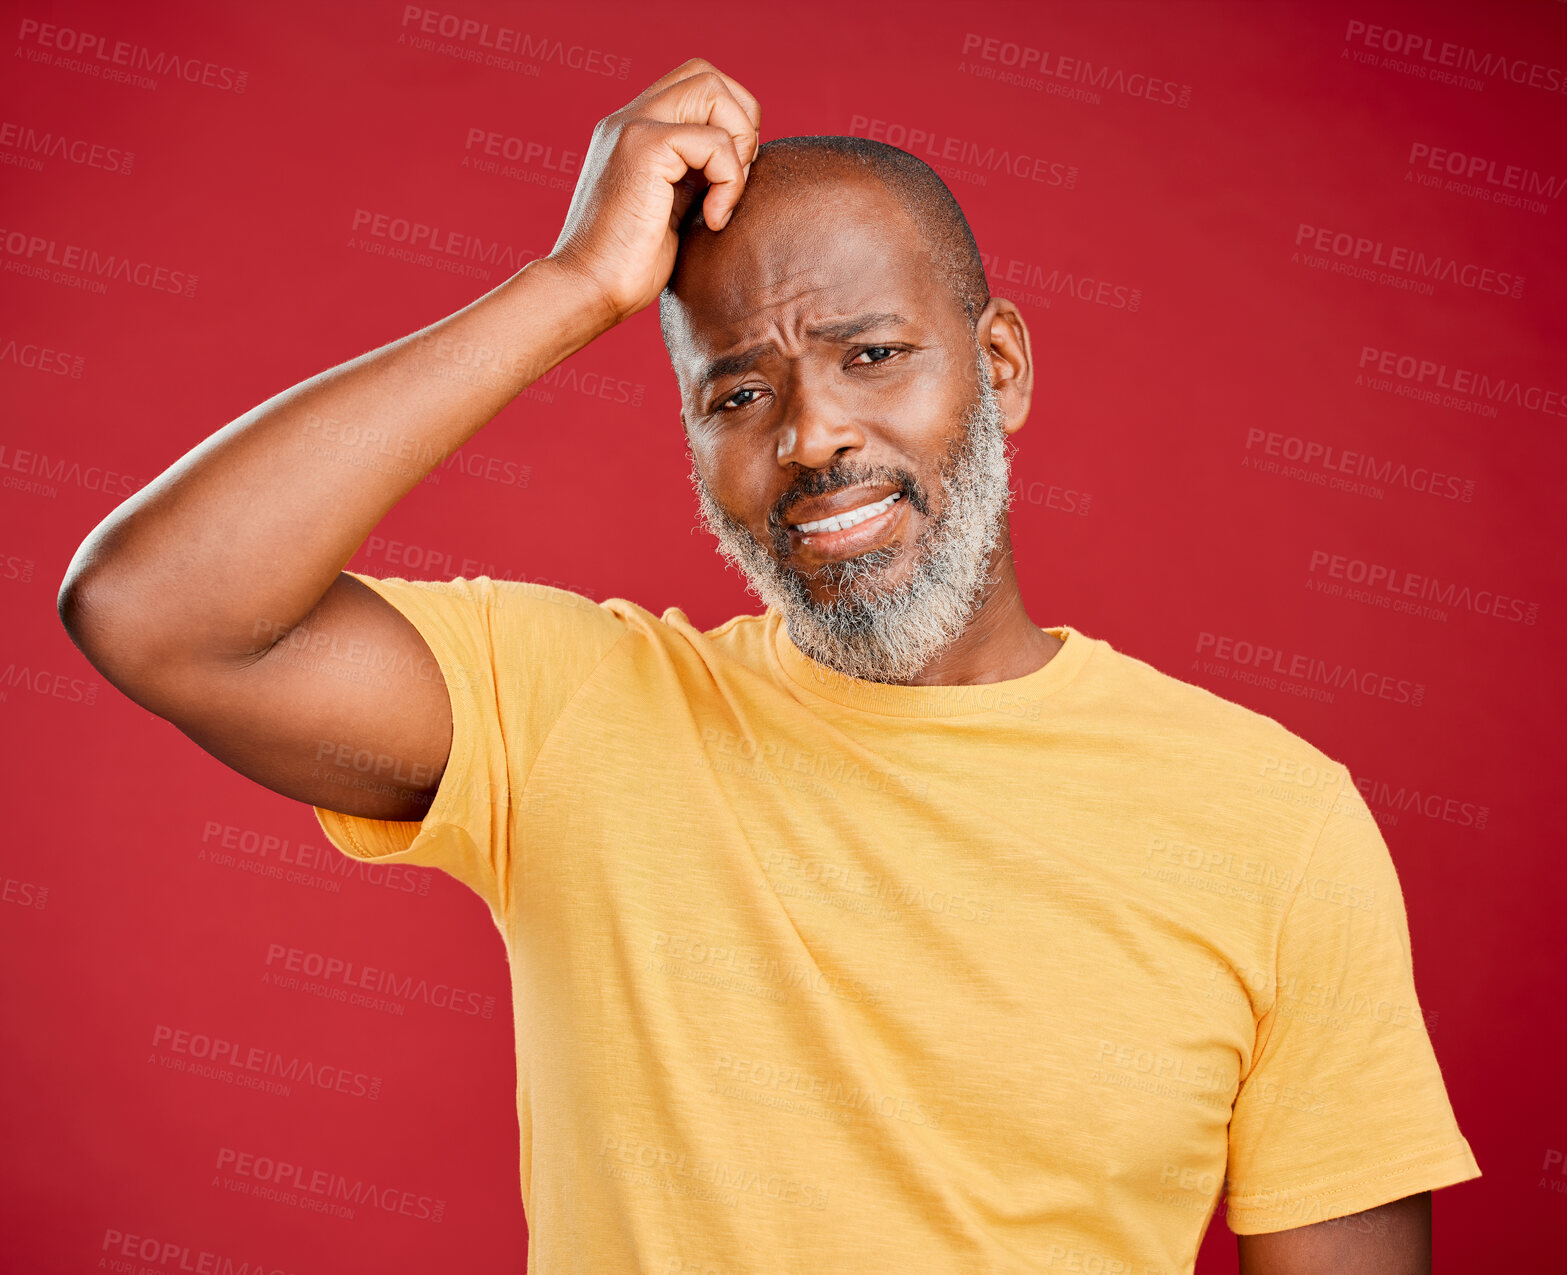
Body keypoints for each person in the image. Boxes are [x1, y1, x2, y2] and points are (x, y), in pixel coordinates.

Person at [58, 57, 1479, 1275]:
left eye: (872, 353)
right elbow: (155, 608)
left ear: (1002, 367)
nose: (810, 437)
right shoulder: (572, 712)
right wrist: (572, 286)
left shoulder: (1275, 825)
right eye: (739, 392)